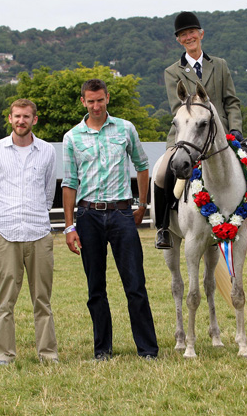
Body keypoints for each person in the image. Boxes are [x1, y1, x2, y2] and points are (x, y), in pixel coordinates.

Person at [155, 11, 247, 249]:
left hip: (223, 137)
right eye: (183, 35)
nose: (189, 37)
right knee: (163, 172)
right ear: (179, 40)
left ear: (201, 34)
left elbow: (232, 101)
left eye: (192, 33)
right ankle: (164, 227)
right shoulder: (172, 71)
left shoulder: (219, 65)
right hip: (187, 136)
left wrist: (235, 129)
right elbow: (178, 108)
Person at [62, 78, 158, 361]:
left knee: (135, 284)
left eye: (100, 100)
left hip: (121, 212)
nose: (96, 106)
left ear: (107, 98)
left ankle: (148, 349)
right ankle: (102, 349)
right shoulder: (72, 137)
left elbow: (142, 166)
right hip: (88, 215)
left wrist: (142, 204)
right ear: (83, 101)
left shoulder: (125, 128)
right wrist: (70, 226)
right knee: (95, 288)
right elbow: (69, 183)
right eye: (90, 101)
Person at [0, 98, 59, 365]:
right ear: (10, 119)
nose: (21, 121)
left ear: (34, 119)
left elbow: (49, 194)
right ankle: (4, 355)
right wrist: (3, 218)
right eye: (16, 116)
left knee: (43, 301)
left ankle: (48, 354)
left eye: (26, 116)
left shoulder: (47, 151)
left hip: (39, 232)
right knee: (5, 302)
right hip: (6, 235)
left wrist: (32, 215)